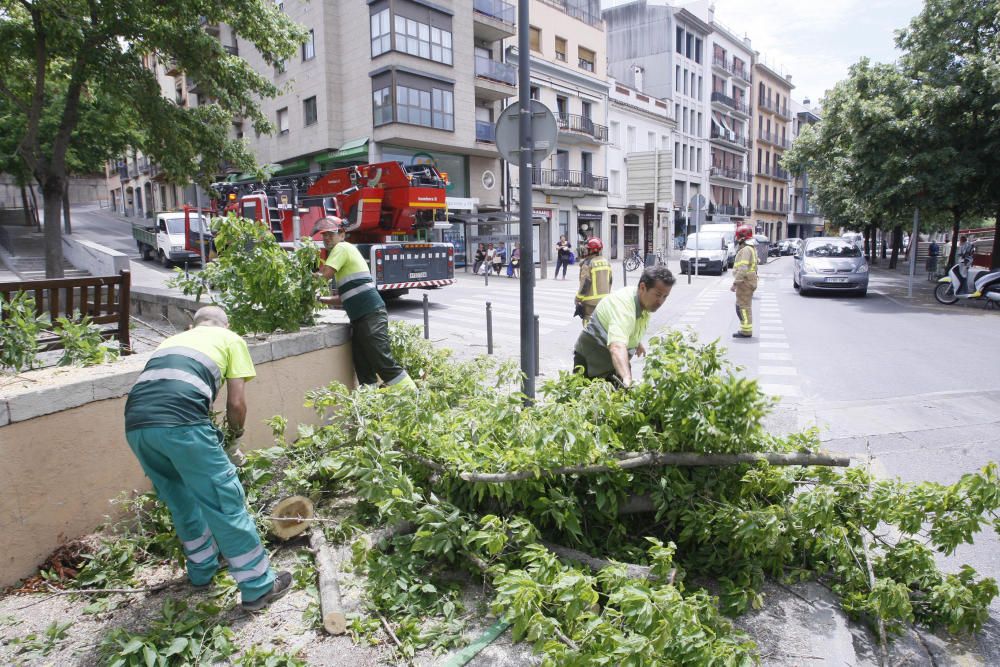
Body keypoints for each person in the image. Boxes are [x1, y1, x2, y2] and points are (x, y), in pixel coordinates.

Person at [123, 306, 292, 611]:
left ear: (192, 325)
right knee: (223, 499)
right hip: (182, 423)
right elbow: (237, 403)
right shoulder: (229, 338)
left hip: (137, 426)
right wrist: (234, 440)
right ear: (228, 324)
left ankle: (202, 571)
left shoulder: (171, 342)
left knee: (181, 499)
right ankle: (258, 586)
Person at [313, 217, 416, 390]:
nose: (326, 238)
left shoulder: (342, 248)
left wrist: (303, 278)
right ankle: (371, 405)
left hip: (371, 315)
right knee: (363, 366)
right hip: (362, 318)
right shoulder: (343, 256)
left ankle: (414, 398)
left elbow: (324, 275)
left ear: (342, 234)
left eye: (330, 234)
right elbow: (345, 297)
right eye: (324, 236)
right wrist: (320, 299)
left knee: (383, 362)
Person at [573, 266, 675, 388]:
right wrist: (626, 378)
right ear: (643, 287)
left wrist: (636, 342)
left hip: (613, 361)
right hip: (592, 359)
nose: (660, 301)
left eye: (665, 296)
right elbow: (616, 347)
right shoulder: (624, 306)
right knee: (586, 400)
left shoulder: (645, 302)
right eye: (658, 295)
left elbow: (629, 326)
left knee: (621, 397)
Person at [575, 237, 612, 326]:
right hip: (605, 301)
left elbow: (585, 285)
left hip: (590, 303)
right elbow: (610, 281)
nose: (585, 251)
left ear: (592, 250)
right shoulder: (606, 262)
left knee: (589, 325)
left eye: (587, 249)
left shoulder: (588, 264)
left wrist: (578, 298)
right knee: (602, 324)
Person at [731, 224, 758, 339]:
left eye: (737, 237)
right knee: (743, 306)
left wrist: (735, 283)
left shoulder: (746, 250)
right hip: (748, 281)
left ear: (742, 237)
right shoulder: (751, 248)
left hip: (744, 283)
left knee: (742, 307)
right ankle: (745, 329)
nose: (736, 239)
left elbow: (743, 268)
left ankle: (746, 331)